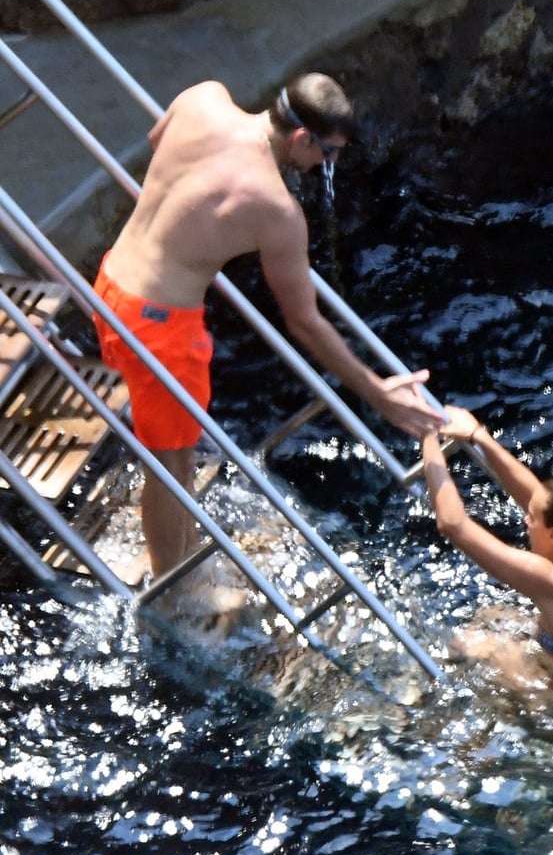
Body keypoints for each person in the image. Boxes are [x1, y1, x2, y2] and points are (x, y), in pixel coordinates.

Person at [94, 74, 445, 577]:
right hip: (159, 331)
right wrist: (378, 392)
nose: (330, 164)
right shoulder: (276, 210)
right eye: (327, 152)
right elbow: (304, 323)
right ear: (302, 138)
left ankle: (176, 553)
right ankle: (175, 595)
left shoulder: (203, 97)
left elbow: (158, 142)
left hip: (111, 285)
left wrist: (194, 234)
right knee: (170, 471)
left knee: (175, 457)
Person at [421, 405, 553, 674]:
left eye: (532, 519)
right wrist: (478, 435)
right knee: (490, 615)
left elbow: (453, 525)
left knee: (469, 645)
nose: (526, 520)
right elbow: (539, 499)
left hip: (552, 691)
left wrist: (428, 437)